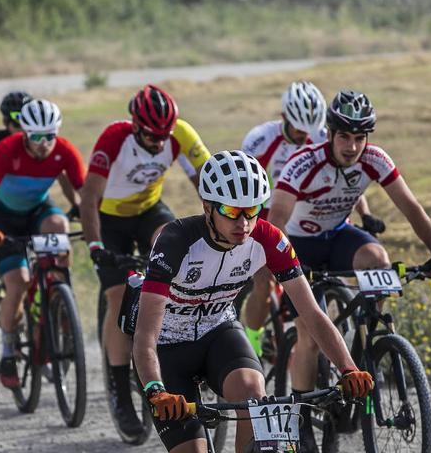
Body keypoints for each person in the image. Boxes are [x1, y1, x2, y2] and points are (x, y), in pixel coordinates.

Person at [133, 150, 373, 453]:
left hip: (218, 332)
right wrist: (155, 390)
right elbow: (145, 334)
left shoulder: (269, 239)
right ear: (207, 206)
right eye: (232, 212)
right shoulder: (175, 241)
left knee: (253, 393)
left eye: (253, 210)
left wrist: (348, 368)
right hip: (167, 346)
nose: (244, 223)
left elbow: (311, 312)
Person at [267, 90, 431, 449]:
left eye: (360, 138)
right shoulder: (304, 164)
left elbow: (410, 206)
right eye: (344, 137)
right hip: (298, 245)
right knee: (308, 332)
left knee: (378, 260)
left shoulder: (375, 160)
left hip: (337, 236)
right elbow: (276, 219)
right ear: (331, 134)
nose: (352, 147)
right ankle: (302, 418)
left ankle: (365, 344)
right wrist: (277, 265)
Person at [80, 84, 210, 440]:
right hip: (110, 220)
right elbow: (89, 196)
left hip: (149, 210)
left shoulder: (179, 133)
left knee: (175, 253)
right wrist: (95, 245)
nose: (159, 142)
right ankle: (120, 390)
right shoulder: (114, 138)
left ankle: (174, 345)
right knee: (117, 295)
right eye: (152, 136)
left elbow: (208, 180)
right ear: (136, 126)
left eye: (164, 136)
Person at [239, 81, 384, 357]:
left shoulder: (324, 136)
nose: (303, 136)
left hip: (312, 211)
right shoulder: (260, 139)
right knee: (264, 280)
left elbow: (346, 178)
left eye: (309, 131)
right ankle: (253, 339)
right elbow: (242, 184)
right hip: (267, 211)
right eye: (297, 130)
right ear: (284, 119)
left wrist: (364, 213)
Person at [0, 98, 86, 388]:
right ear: (24, 133)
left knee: (59, 225)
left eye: (50, 136)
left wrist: (88, 219)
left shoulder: (64, 151)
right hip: (3, 219)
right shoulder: (6, 151)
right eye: (36, 136)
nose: (44, 143)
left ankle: (59, 295)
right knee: (19, 282)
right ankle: (9, 348)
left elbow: (82, 194)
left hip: (36, 211)